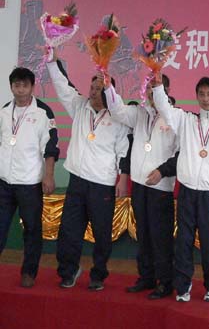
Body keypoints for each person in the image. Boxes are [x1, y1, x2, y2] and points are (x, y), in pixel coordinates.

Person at [46, 58, 129, 291]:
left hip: (102, 185)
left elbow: (124, 151)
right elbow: (63, 86)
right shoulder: (79, 106)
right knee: (69, 231)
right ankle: (68, 271)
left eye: (98, 89)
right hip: (77, 181)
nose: (92, 92)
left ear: (109, 93)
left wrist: (122, 179)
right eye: (91, 87)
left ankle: (98, 274)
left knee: (102, 234)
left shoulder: (119, 118)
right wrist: (52, 61)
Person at [152, 74, 209, 303]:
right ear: (196, 96)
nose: (205, 98)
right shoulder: (186, 120)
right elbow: (164, 107)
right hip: (187, 191)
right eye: (201, 94)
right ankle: (183, 285)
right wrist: (158, 85)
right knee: (184, 240)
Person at [104, 77, 178, 300]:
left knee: (160, 237)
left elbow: (180, 154)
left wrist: (163, 171)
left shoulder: (175, 116)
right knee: (143, 234)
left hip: (161, 187)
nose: (151, 93)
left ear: (165, 90)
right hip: (139, 184)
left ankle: (165, 282)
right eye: (149, 89)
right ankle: (146, 277)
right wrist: (108, 86)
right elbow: (116, 110)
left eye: (156, 89)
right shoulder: (139, 113)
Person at [0, 67, 59, 288]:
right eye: (16, 85)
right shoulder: (4, 111)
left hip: (30, 184)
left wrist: (49, 176)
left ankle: (29, 273)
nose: (20, 90)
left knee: (32, 230)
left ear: (32, 87)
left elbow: (51, 148)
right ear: (11, 87)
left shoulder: (43, 113)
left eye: (25, 85)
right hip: (4, 183)